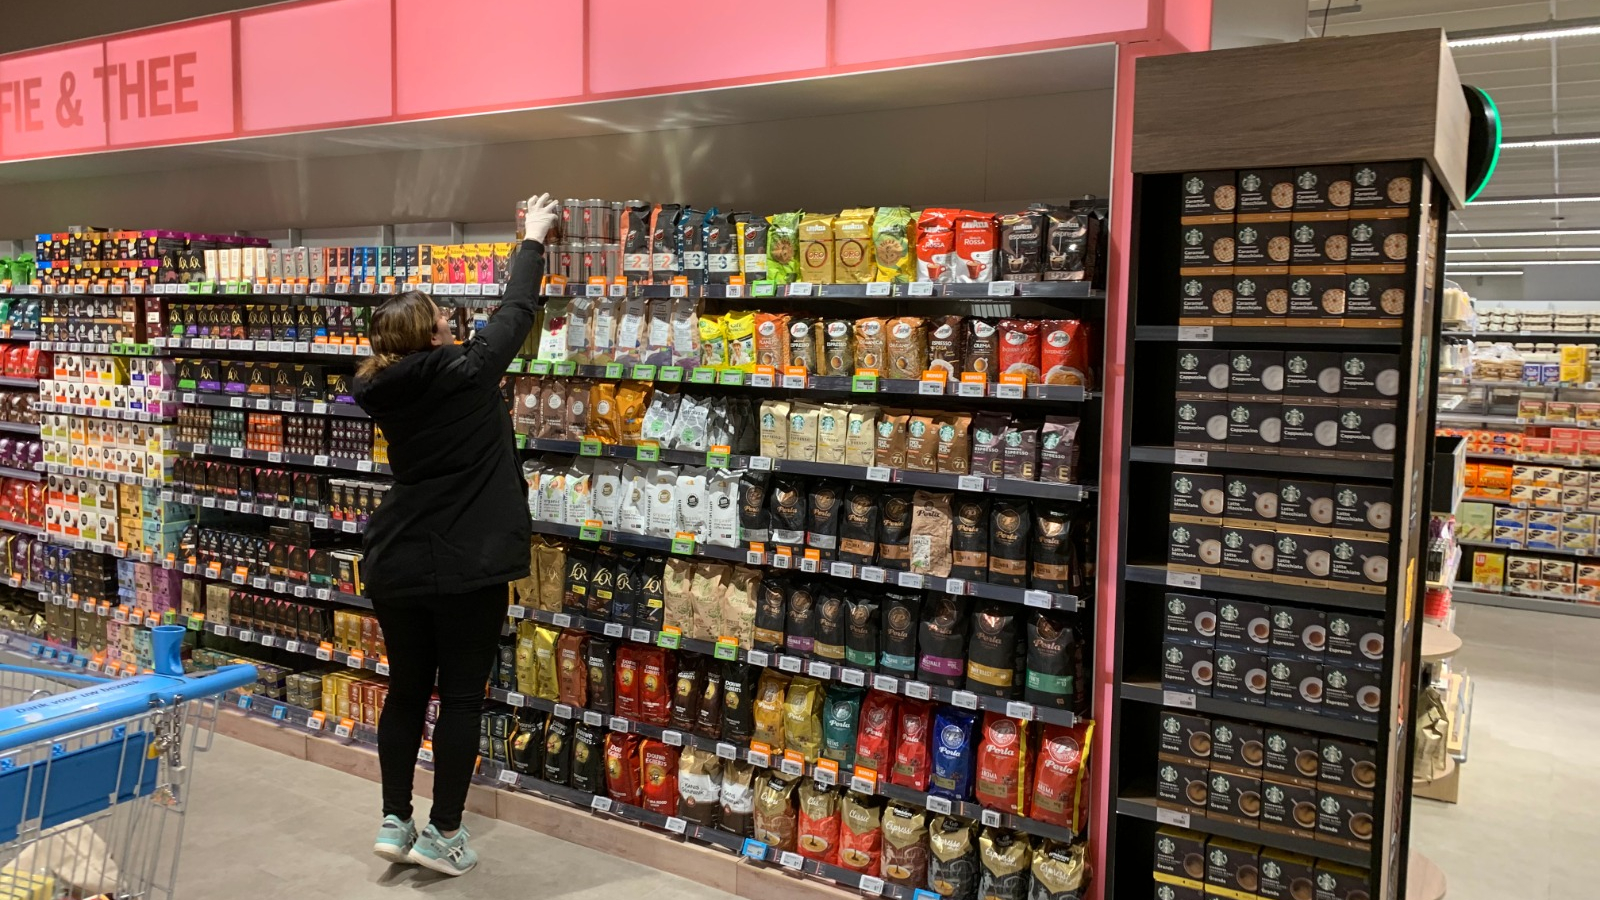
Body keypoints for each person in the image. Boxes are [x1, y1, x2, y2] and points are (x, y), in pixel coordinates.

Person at [352, 193, 560, 875]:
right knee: (462, 697)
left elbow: (499, 323)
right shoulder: (467, 376)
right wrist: (531, 239)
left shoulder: (384, 389)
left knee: (408, 689)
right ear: (431, 336)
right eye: (442, 315)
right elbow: (516, 313)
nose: (452, 318)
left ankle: (393, 821)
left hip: (397, 562)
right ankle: (443, 834)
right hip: (465, 563)